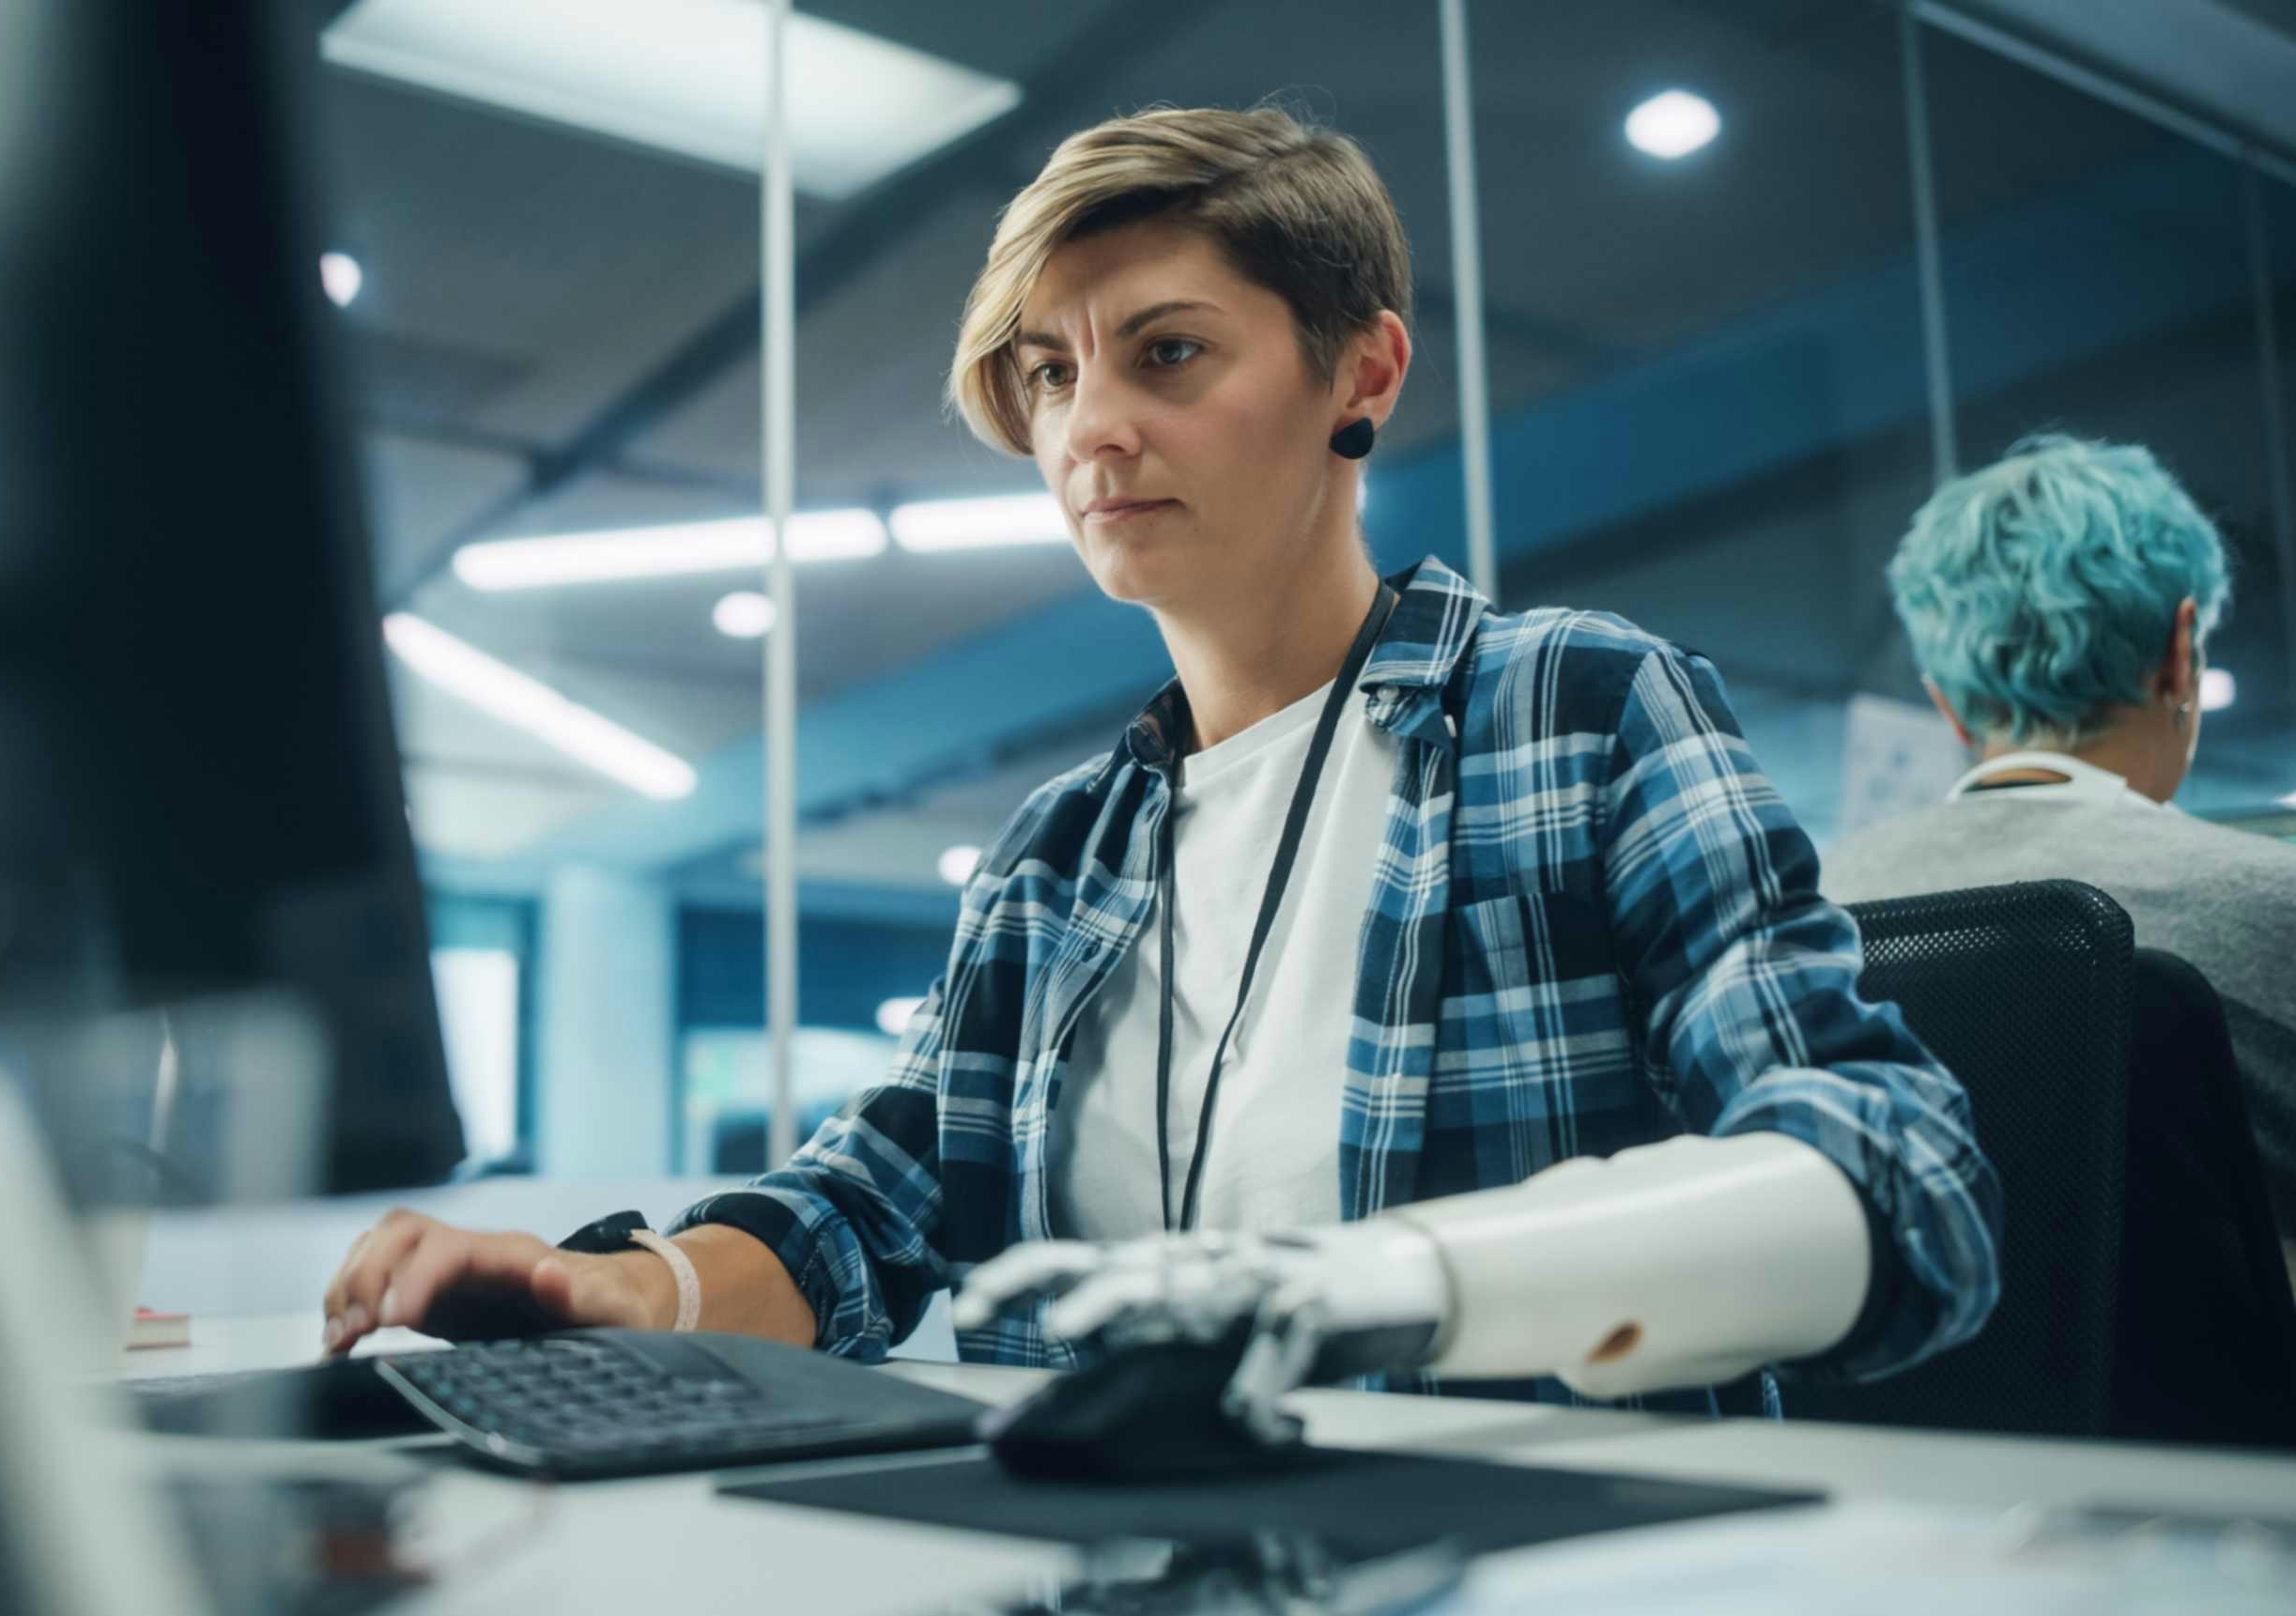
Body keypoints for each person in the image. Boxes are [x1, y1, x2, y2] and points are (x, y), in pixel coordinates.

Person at [325, 105, 1999, 1423]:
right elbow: (878, 1202)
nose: (1086, 429)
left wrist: (1404, 1278)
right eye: (1051, 372)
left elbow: (1898, 1169)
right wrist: (618, 1291)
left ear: (1363, 372)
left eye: (1165, 352)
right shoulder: (1065, 850)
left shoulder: (1574, 711)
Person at [1826, 433, 2296, 1291]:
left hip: (1894, 1423)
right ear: (2180, 655)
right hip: (2221, 1426)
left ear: (1946, 705)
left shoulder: (1815, 920)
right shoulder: (2278, 906)